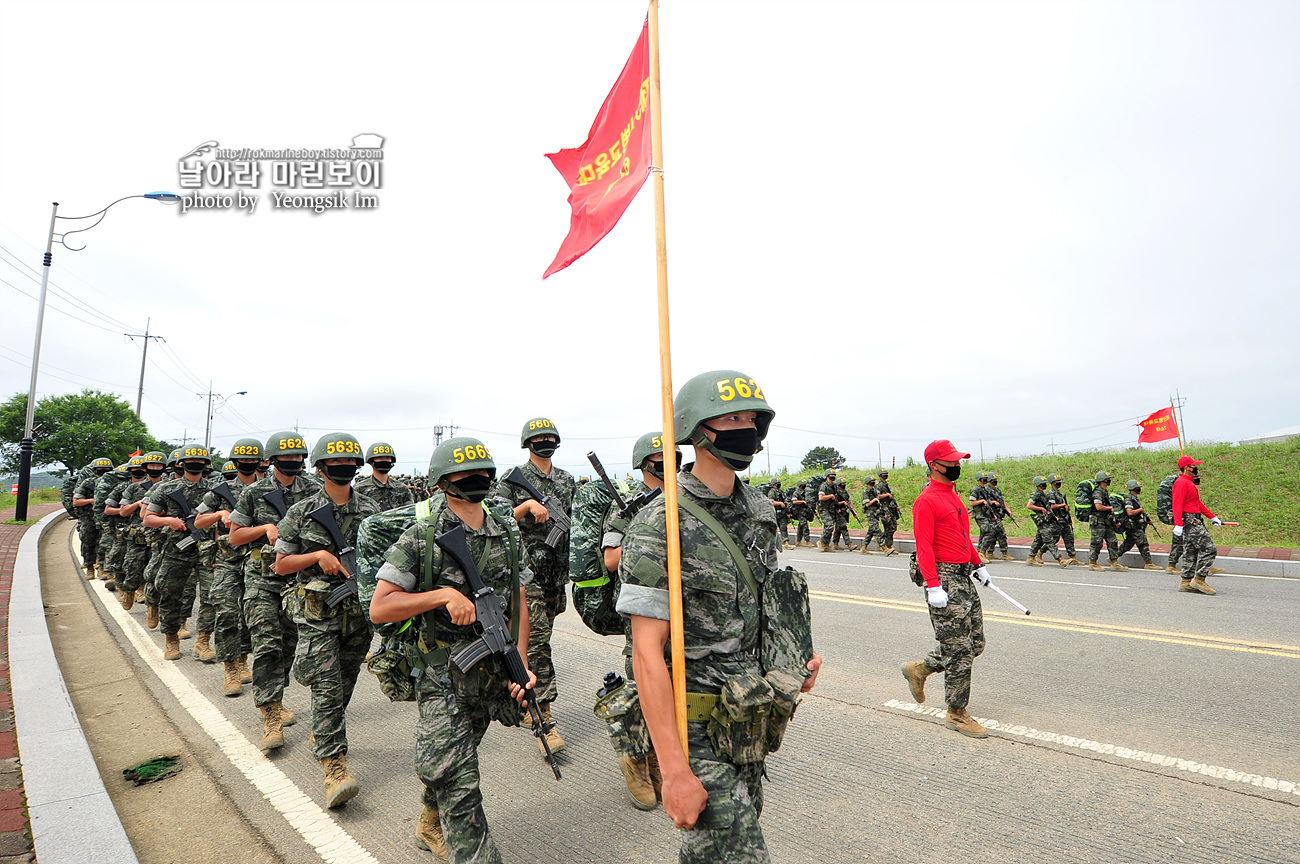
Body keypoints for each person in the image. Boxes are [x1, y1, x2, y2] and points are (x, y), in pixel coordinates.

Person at [616, 370, 821, 863]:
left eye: (752, 419)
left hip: (749, 714)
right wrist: (673, 769)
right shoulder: (659, 522)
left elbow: (769, 601)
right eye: (731, 417)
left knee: (712, 851)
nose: (745, 428)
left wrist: (794, 657)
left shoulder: (760, 510)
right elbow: (646, 654)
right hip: (694, 725)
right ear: (697, 430)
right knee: (742, 854)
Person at [369, 436, 535, 860]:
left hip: (491, 669)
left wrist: (522, 663)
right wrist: (441, 595)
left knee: (455, 757)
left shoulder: (506, 532)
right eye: (465, 474)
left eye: (484, 472)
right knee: (461, 781)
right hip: (441, 675)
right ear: (443, 482)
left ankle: (429, 817)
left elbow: (519, 602)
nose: (477, 479)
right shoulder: (422, 536)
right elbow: (380, 607)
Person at [275, 433, 380, 808]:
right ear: (319, 468)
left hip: (358, 615)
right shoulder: (302, 512)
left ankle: (323, 733)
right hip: (317, 613)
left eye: (351, 463)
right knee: (327, 686)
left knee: (346, 681)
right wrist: (317, 555)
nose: (344, 469)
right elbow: (281, 563)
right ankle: (334, 766)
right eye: (335, 464)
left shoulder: (371, 510)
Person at [228, 432, 320, 750]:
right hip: (261, 579)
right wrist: (264, 528)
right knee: (267, 645)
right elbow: (235, 537)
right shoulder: (255, 492)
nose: (293, 461)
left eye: (298, 456)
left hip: (298, 581)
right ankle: (270, 717)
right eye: (287, 456)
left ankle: (276, 698)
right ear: (271, 459)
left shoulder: (314, 490)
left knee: (289, 647)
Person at [900, 440, 991, 739]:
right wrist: (933, 586)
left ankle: (920, 669)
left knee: (975, 643)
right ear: (935, 465)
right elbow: (923, 546)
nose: (957, 466)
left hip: (963, 576)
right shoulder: (927, 500)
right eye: (951, 461)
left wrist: (977, 563)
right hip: (944, 579)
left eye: (958, 460)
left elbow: (962, 536)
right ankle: (956, 712)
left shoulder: (952, 496)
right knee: (960, 650)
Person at [195, 437, 263, 694]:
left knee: (250, 616)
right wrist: (219, 515)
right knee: (226, 611)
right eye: (243, 460)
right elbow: (199, 522)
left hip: (259, 562)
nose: (247, 464)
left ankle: (243, 660)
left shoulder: (267, 490)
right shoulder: (219, 491)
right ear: (235, 462)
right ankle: (230, 669)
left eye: (252, 460)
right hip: (227, 560)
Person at [142, 446, 213, 662]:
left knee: (211, 596)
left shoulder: (215, 489)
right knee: (170, 594)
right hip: (177, 549)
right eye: (190, 459)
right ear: (181, 463)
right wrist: (168, 521)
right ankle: (171, 638)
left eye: (200, 460)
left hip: (207, 551)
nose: (195, 463)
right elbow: (147, 518)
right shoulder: (166, 488)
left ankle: (203, 640)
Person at [1172, 456, 1223, 595]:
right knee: (1209, 549)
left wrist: (1212, 516)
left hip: (1194, 518)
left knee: (1191, 551)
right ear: (1187, 468)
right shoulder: (1182, 482)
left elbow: (1197, 503)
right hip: (1190, 520)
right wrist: (1178, 524)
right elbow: (1177, 503)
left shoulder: (1189, 482)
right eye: (1194, 465)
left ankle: (1186, 581)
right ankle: (1199, 579)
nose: (1196, 467)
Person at [354, 441, 416, 511]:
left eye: (387, 458)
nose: (384, 460)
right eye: (380, 458)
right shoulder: (359, 489)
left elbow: (410, 513)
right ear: (371, 461)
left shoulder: (402, 488)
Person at [1117, 479, 1161, 570]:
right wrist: (1140, 510)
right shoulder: (1129, 499)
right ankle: (1148, 563)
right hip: (1133, 526)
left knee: (1128, 544)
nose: (1139, 489)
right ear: (1133, 489)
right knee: (1143, 543)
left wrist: (1147, 519)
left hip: (1135, 525)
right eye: (1137, 488)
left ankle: (1112, 557)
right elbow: (1129, 512)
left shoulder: (1134, 498)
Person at [1088, 471, 1128, 572]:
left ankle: (1114, 562)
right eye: (1107, 479)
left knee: (1112, 541)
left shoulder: (1104, 491)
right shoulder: (1098, 492)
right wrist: (1109, 507)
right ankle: (1092, 563)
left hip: (1106, 521)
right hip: (1098, 521)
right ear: (1102, 480)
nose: (1109, 481)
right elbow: (1098, 506)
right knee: (1097, 542)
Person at [1025, 476, 1067, 568]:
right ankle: (1060, 559)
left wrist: (1054, 516)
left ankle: (1031, 557)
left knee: (1038, 540)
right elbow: (1029, 505)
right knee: (1049, 541)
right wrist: (1040, 508)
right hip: (1041, 520)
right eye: (1042, 484)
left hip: (1046, 520)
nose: (1044, 485)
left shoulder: (1042, 494)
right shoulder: (1035, 494)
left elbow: (1048, 508)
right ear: (1038, 485)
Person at [969, 471, 995, 558]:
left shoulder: (985, 490)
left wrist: (992, 515)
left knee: (984, 533)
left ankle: (979, 554)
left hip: (986, 513)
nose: (986, 480)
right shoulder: (976, 489)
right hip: (979, 514)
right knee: (989, 531)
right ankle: (982, 552)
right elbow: (971, 503)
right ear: (979, 479)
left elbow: (988, 502)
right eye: (984, 478)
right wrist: (982, 501)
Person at [876, 469, 900, 555]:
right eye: (884, 474)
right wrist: (887, 495)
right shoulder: (878, 485)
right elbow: (878, 496)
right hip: (884, 508)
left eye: (886, 473)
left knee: (893, 527)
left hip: (891, 508)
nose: (885, 475)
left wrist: (896, 506)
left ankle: (882, 539)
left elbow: (891, 496)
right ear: (880, 475)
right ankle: (888, 546)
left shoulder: (886, 484)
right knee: (889, 527)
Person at [816, 468, 839, 552]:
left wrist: (837, 508)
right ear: (827, 476)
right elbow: (821, 497)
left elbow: (835, 497)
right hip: (823, 508)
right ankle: (821, 541)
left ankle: (826, 545)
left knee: (830, 526)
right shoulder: (823, 486)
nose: (833, 477)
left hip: (831, 508)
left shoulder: (834, 486)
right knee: (829, 525)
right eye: (831, 476)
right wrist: (830, 496)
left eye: (834, 475)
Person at [859, 474, 883, 554]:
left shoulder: (873, 490)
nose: (873, 482)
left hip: (875, 512)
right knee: (876, 529)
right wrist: (874, 500)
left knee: (871, 531)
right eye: (871, 481)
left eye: (874, 481)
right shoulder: (866, 491)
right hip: (870, 512)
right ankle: (885, 547)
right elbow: (867, 504)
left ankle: (864, 547)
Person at [766, 479, 792, 550]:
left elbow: (785, 501)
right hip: (774, 512)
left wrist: (787, 510)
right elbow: (771, 502)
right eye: (778, 483)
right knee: (772, 529)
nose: (779, 484)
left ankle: (786, 542)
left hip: (782, 513)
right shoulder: (772, 492)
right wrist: (779, 503)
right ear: (774, 484)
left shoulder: (781, 492)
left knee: (783, 528)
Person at [790, 481, 813, 547]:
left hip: (805, 511)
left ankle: (798, 541)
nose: (804, 486)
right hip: (798, 512)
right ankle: (808, 541)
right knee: (805, 525)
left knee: (801, 526)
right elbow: (794, 502)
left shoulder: (806, 492)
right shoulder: (796, 493)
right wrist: (802, 501)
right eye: (803, 485)